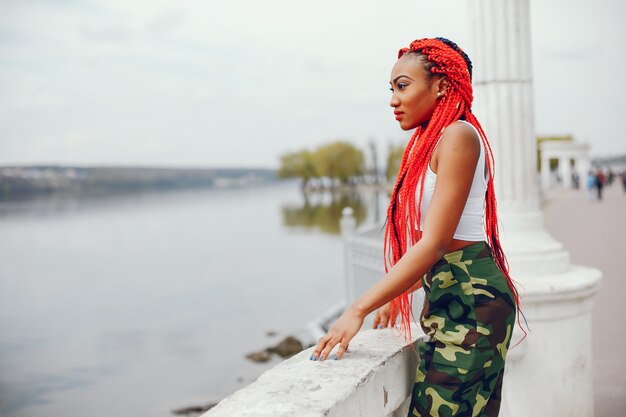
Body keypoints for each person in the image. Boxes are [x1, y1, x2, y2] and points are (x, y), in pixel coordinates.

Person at [309, 38, 523, 417]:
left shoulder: (458, 135)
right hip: (453, 299)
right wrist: (399, 293)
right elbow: (436, 244)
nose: (393, 99)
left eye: (403, 85)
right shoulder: (433, 141)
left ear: (441, 84)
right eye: (391, 88)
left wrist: (358, 307)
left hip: (473, 303)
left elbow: (437, 242)